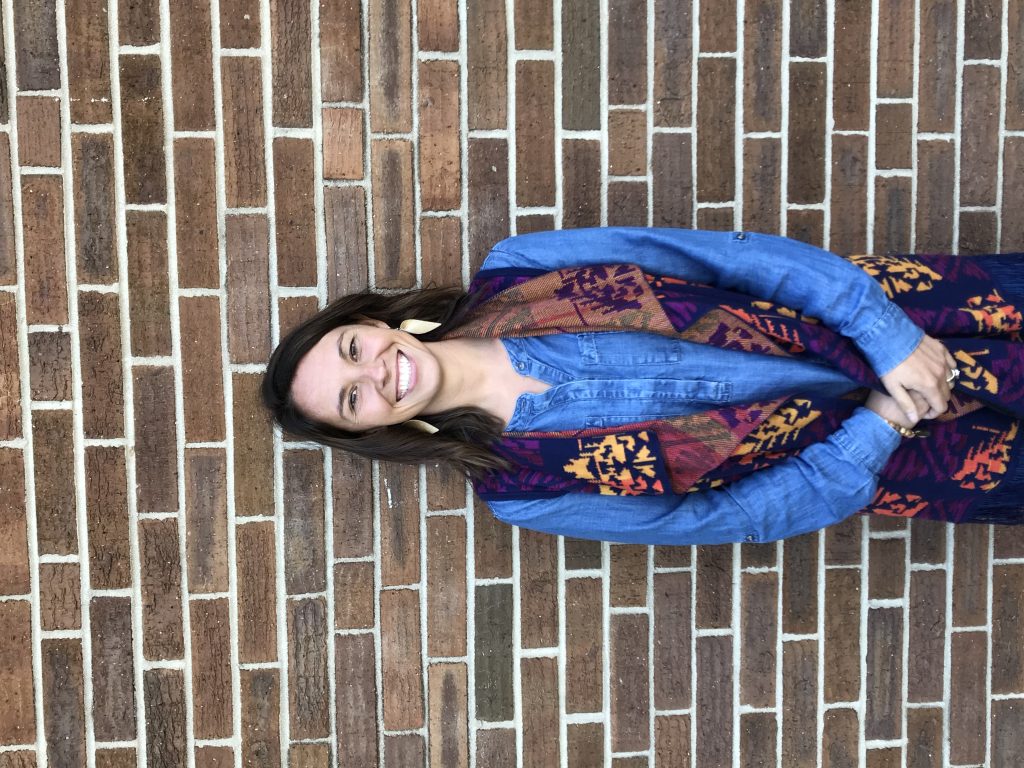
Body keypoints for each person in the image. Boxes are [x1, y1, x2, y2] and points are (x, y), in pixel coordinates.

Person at [263, 228, 1024, 544]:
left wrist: (886, 335)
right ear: (368, 431)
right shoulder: (520, 488)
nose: (376, 372)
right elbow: (725, 518)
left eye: (354, 349)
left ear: (371, 321)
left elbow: (726, 260)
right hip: (917, 454)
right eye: (354, 398)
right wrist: (878, 428)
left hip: (922, 318)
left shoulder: (519, 267)